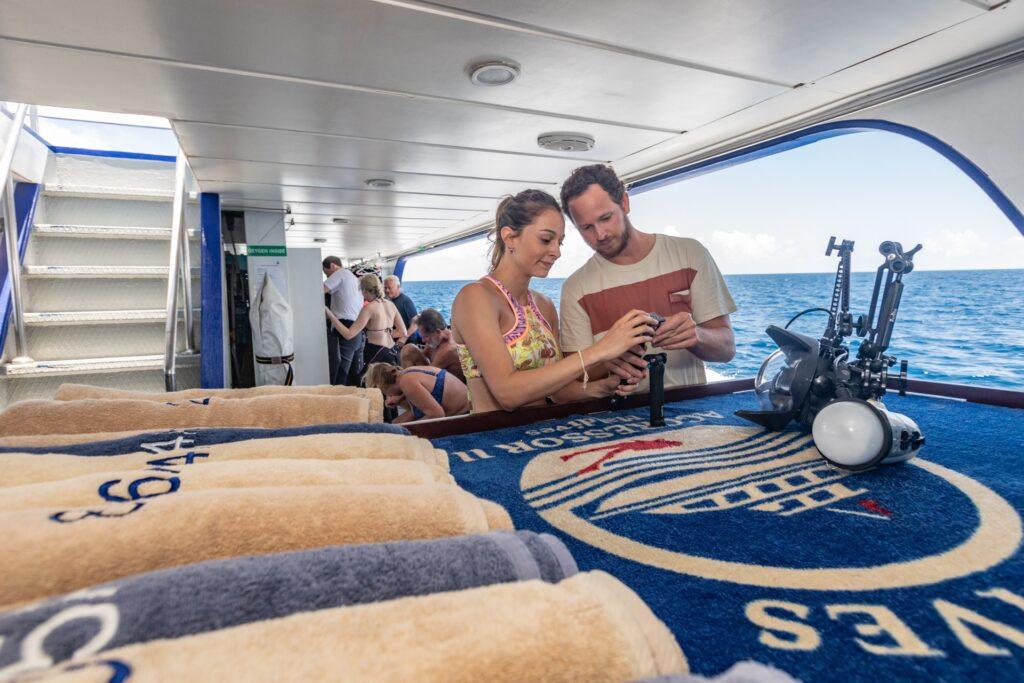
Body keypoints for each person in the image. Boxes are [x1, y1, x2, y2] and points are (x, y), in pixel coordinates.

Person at [451, 189, 656, 413]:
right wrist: (600, 350)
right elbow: (507, 393)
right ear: (509, 237)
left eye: (560, 242)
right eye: (546, 240)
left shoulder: (544, 305)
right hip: (494, 433)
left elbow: (558, 392)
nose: (556, 252)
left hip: (546, 430)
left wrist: (603, 387)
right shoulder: (475, 297)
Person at [558, 164, 736, 390]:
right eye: (586, 227)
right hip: (618, 412)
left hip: (691, 407)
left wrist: (696, 336)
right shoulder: (575, 289)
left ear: (624, 202)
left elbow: (726, 349)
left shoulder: (690, 254)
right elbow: (575, 377)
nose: (600, 234)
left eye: (605, 218)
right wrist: (609, 360)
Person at [325, 274, 408, 369]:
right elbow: (403, 332)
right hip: (392, 352)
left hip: (377, 354)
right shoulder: (391, 304)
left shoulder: (369, 308)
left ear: (364, 290)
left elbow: (349, 335)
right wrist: (385, 332)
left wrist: (331, 315)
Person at [363, 362, 469, 422]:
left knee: (400, 433)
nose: (388, 395)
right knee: (395, 424)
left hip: (466, 414)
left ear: (383, 385)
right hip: (466, 405)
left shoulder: (407, 382)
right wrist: (401, 399)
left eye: (384, 392)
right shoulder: (407, 372)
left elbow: (437, 415)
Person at [322, 256, 364, 386]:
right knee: (353, 374)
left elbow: (318, 291)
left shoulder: (340, 273)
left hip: (345, 326)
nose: (328, 277)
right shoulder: (353, 278)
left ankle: (337, 397)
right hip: (357, 328)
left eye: (326, 273)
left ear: (333, 265)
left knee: (340, 372)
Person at [415, 308, 465, 383]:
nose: (423, 340)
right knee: (409, 349)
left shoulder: (449, 350)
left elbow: (427, 375)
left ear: (438, 332)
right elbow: (421, 356)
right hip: (438, 377)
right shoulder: (435, 340)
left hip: (453, 386)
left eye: (425, 336)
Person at [384, 275, 417, 342]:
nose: (387, 290)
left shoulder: (406, 301)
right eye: (385, 288)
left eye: (389, 288)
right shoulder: (386, 301)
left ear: (398, 287)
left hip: (405, 340)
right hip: (391, 338)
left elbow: (416, 323)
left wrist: (404, 338)